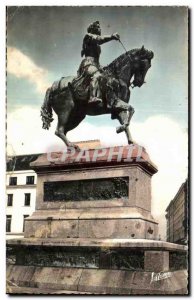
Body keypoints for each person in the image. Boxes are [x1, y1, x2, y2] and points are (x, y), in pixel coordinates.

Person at [78, 21, 120, 104]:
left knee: (109, 77)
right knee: (96, 76)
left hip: (96, 65)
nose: (100, 29)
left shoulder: (96, 43)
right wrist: (112, 37)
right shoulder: (88, 36)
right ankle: (93, 97)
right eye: (98, 27)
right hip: (88, 64)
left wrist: (101, 66)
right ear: (93, 29)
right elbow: (99, 39)